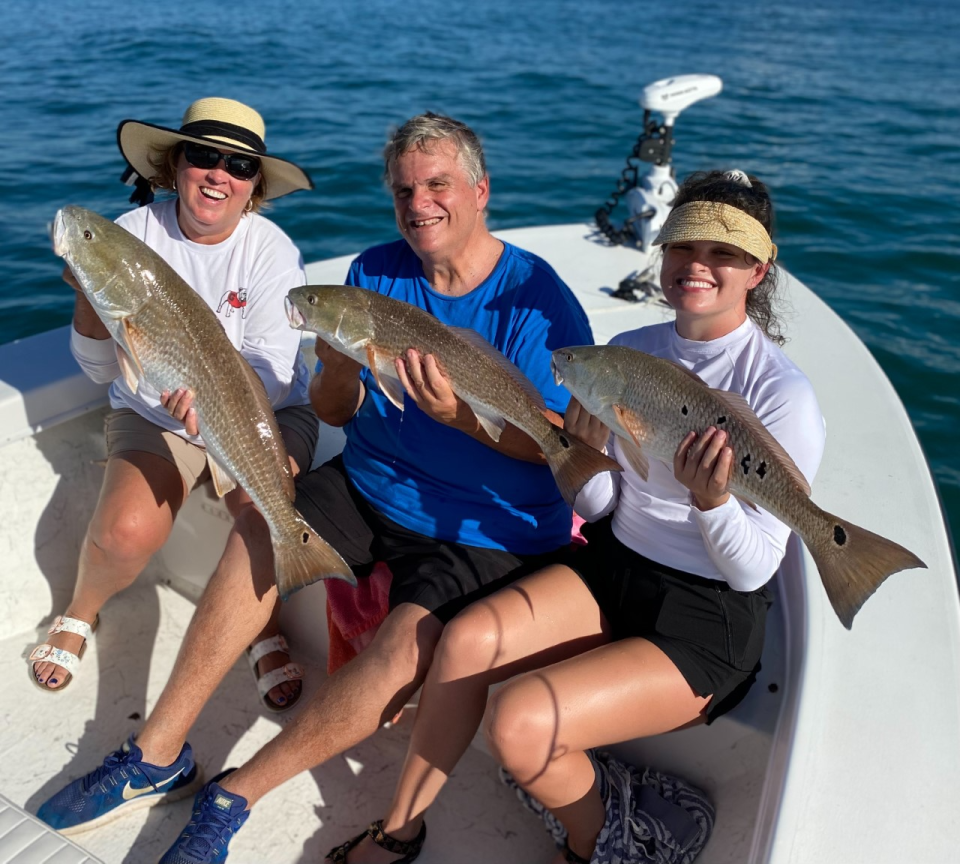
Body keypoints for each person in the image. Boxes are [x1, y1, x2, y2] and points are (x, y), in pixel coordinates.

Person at [36, 113, 604, 863]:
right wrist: (339, 367)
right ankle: (156, 751)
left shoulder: (536, 296)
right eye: (404, 188)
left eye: (438, 185)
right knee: (261, 530)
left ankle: (234, 796)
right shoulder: (372, 272)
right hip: (372, 481)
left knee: (407, 646)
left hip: (484, 527)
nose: (419, 203)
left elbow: (553, 451)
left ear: (480, 190)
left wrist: (458, 416)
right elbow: (334, 411)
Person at [333, 169, 827, 864]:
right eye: (685, 246)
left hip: (706, 613)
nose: (698, 266)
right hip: (614, 566)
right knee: (465, 641)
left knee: (518, 724)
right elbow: (601, 507)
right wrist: (586, 456)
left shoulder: (780, 393)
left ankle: (597, 845)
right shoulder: (633, 354)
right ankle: (401, 829)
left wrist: (711, 503)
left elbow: (751, 571)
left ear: (759, 269)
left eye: (725, 254)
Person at [29, 97, 316, 712]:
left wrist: (216, 408)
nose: (219, 174)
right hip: (153, 413)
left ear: (254, 185)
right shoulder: (131, 237)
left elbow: (277, 365)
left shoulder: (272, 251)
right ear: (174, 165)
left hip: (264, 413)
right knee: (124, 533)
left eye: (239, 166)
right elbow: (103, 367)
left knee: (263, 522)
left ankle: (259, 627)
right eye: (204, 156)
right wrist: (88, 295)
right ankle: (80, 610)